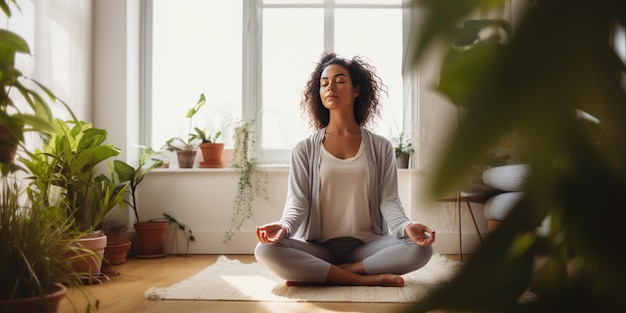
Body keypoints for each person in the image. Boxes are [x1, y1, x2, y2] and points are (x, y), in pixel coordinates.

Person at [254, 52, 435, 287]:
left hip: (368, 247)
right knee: (265, 250)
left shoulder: (381, 147)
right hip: (319, 248)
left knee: (421, 249)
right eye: (324, 83)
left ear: (356, 90)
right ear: (318, 93)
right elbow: (298, 203)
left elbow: (389, 200)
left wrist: (407, 226)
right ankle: (365, 279)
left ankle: (333, 273)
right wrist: (284, 226)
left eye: (340, 81)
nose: (331, 87)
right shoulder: (304, 149)